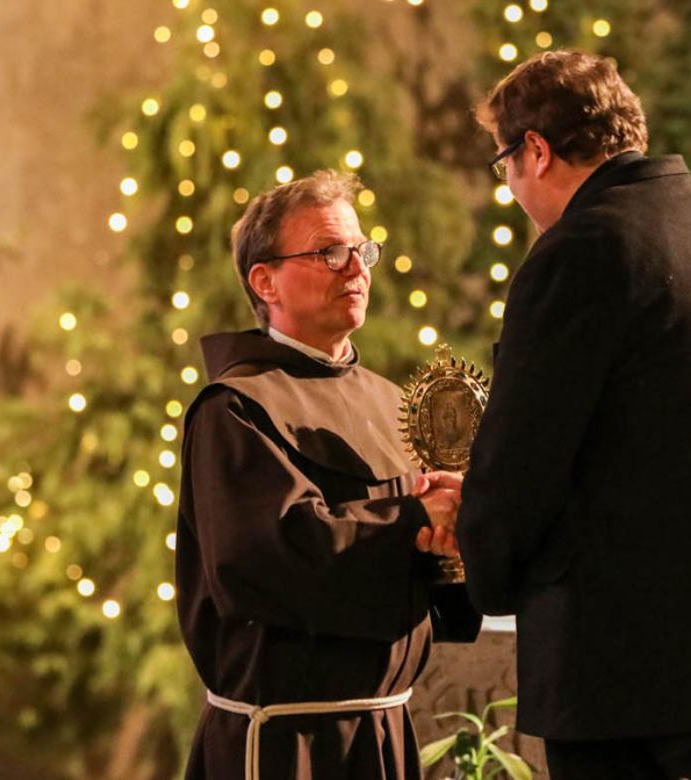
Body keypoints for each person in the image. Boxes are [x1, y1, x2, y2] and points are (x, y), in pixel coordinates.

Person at [444, 50, 691, 779]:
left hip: (621, 672)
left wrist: (481, 568)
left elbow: (525, 454)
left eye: (504, 164)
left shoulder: (584, 249)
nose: (511, 187)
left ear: (535, 149)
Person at [175, 170, 479, 780]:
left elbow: (416, 564)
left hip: (385, 728)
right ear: (266, 281)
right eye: (329, 252)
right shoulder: (235, 407)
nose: (357, 269)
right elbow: (271, 557)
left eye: (362, 251)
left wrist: (455, 535)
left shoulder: (389, 401)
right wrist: (415, 520)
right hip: (290, 743)